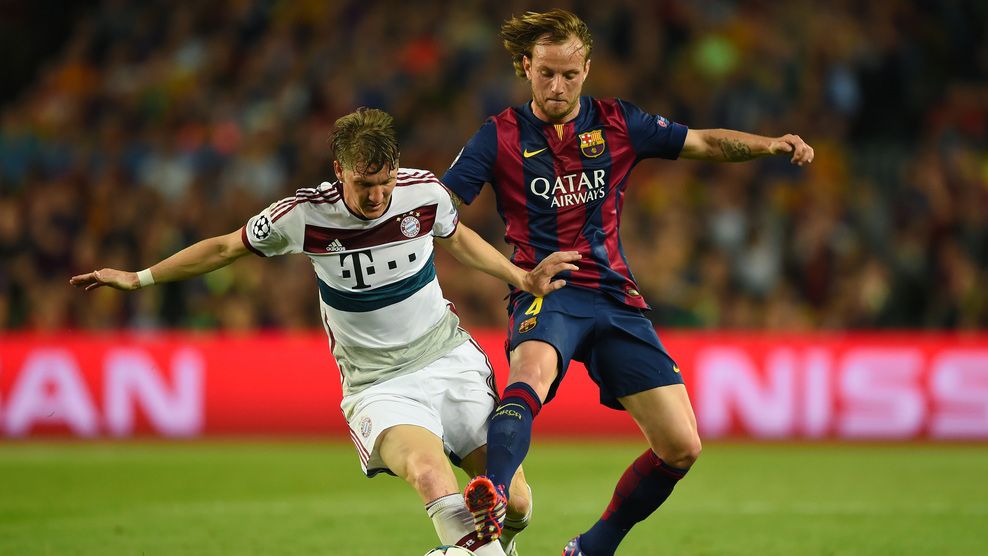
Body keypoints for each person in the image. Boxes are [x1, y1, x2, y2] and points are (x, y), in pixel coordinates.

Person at [70, 107, 580, 556]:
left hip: (448, 357)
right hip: (378, 384)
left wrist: (520, 277)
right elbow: (225, 248)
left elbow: (457, 237)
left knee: (514, 500)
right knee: (430, 477)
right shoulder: (304, 216)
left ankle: (498, 547)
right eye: (364, 185)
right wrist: (139, 278)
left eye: (385, 182)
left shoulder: (424, 193)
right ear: (339, 172)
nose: (378, 197)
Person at [442, 9, 815, 556]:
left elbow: (705, 144)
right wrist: (517, 273)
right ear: (525, 67)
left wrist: (770, 144)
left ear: (587, 69)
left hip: (616, 299)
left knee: (682, 446)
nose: (557, 86)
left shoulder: (618, 122)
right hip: (549, 293)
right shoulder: (496, 137)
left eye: (569, 74)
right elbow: (442, 219)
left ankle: (592, 548)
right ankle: (493, 495)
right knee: (532, 373)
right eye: (545, 73)